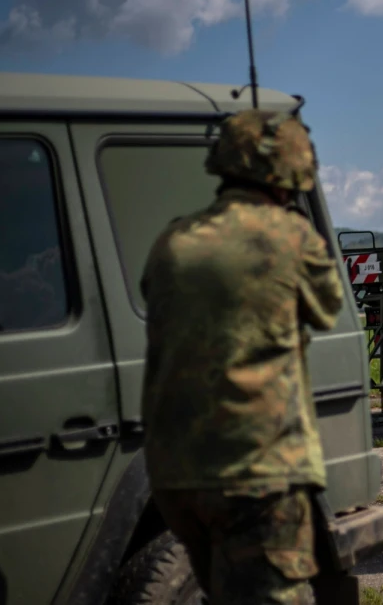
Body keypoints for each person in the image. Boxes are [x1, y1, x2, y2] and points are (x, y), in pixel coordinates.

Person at [140, 109, 344, 604]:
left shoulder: (172, 240)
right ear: (293, 171)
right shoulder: (290, 238)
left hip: (175, 474)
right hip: (258, 470)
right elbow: (327, 306)